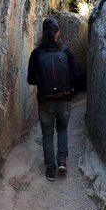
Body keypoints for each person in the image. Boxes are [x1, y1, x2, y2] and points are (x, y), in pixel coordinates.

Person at [27, 17, 77, 182]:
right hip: (65, 100)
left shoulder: (36, 54)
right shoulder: (66, 52)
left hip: (45, 101)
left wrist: (43, 81)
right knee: (62, 129)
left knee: (47, 135)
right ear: (57, 33)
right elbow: (75, 76)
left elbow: (30, 80)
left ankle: (51, 171)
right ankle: (62, 161)